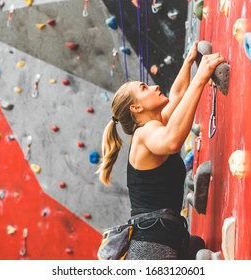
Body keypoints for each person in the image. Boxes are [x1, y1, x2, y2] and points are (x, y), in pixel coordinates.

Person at [96, 41, 225, 260]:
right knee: (197, 249)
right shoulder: (144, 135)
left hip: (162, 236)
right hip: (150, 247)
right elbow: (173, 141)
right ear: (136, 108)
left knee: (197, 245)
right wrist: (200, 78)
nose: (155, 87)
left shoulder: (154, 125)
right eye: (144, 88)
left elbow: (177, 95)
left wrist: (189, 62)